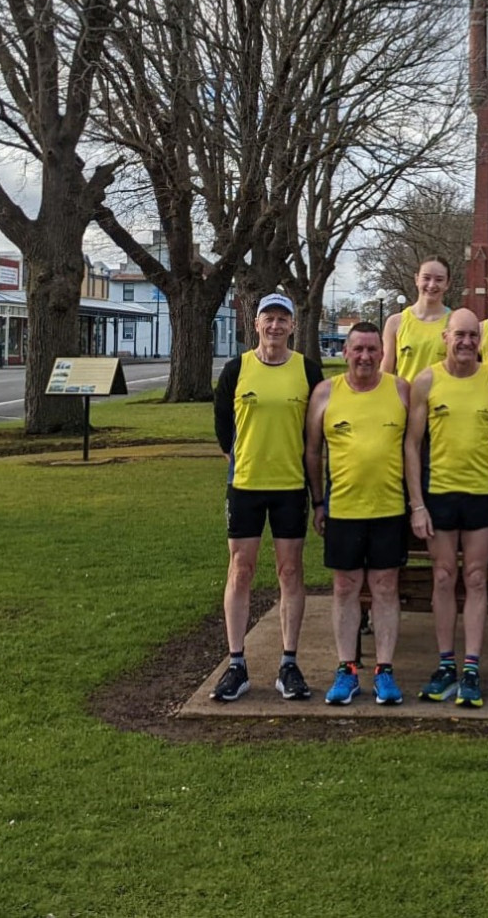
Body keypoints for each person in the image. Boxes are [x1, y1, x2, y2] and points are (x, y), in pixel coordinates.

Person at [211, 292, 327, 703]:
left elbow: (317, 437)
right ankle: (237, 663)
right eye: (268, 318)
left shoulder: (308, 372)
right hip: (245, 485)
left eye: (282, 319)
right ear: (255, 324)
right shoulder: (236, 370)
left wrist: (317, 498)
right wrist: (244, 462)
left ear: (292, 326)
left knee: (290, 572)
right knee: (240, 569)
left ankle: (288, 662)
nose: (275, 326)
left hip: (290, 487)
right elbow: (224, 428)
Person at [305, 321, 411, 707]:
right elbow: (313, 452)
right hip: (343, 509)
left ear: (383, 354)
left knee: (385, 587)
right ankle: (346, 669)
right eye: (358, 349)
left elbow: (414, 447)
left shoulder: (400, 390)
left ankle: (384, 670)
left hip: (389, 508)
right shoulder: (325, 394)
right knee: (345, 587)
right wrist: (318, 502)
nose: (365, 356)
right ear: (345, 353)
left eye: (372, 349)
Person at [406, 308, 488, 707]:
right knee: (444, 577)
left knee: (476, 579)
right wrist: (417, 504)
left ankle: (472, 668)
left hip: (480, 495)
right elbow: (411, 444)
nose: (465, 342)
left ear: (480, 341)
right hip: (439, 494)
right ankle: (447, 665)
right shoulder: (427, 380)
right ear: (445, 337)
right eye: (458, 335)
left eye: (472, 336)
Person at [383, 255, 453, 381]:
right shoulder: (395, 323)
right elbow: (385, 373)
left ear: (447, 284)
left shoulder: (454, 323)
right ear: (416, 279)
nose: (431, 285)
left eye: (439, 279)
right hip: (405, 399)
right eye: (426, 278)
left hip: (443, 400)